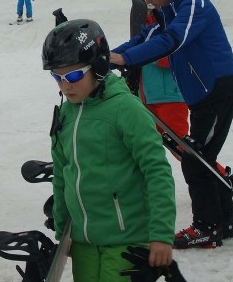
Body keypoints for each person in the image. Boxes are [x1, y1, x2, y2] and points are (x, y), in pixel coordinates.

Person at [110, 0, 233, 249]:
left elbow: (173, 39)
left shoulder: (195, 4)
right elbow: (144, 38)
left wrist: (127, 60)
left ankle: (207, 226)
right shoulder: (169, 11)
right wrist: (109, 57)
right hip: (201, 95)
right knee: (202, 156)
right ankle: (223, 221)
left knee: (196, 158)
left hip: (217, 88)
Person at [43, 19, 177, 281]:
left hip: (128, 240)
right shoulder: (67, 114)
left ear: (99, 66)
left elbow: (157, 171)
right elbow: (62, 173)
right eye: (56, 77)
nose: (65, 86)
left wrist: (161, 235)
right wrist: (63, 232)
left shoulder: (126, 109)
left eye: (72, 75)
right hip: (83, 243)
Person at [137, 11, 189, 139]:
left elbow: (177, 57)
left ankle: (203, 161)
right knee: (147, 144)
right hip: (145, 97)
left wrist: (146, 52)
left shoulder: (176, 20)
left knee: (181, 146)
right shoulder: (143, 25)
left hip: (170, 97)